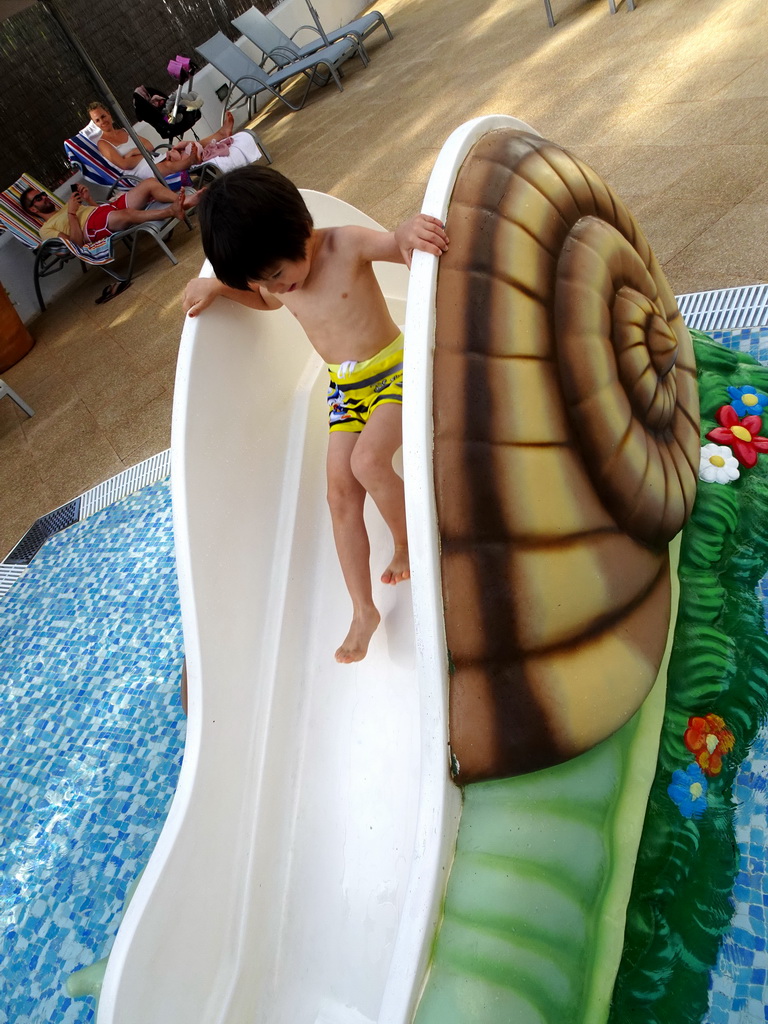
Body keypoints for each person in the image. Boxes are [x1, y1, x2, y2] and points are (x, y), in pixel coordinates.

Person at [182, 167, 448, 663]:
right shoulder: (275, 279)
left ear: (303, 227)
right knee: (338, 491)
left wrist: (410, 229)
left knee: (368, 463)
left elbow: (396, 244)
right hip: (345, 390)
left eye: (279, 274)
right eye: (263, 280)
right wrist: (220, 289)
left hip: (395, 371)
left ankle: (409, 540)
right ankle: (362, 608)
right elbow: (264, 303)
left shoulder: (343, 246)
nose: (277, 287)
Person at [20, 179, 193, 302]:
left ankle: (182, 201)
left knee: (148, 183)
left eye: (42, 194)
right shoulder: (45, 230)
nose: (44, 198)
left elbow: (102, 213)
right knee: (127, 215)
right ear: (33, 209)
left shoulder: (68, 204)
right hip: (92, 226)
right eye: (38, 199)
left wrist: (89, 200)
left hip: (104, 211)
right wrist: (72, 213)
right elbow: (75, 245)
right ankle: (172, 211)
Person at [88, 103, 262, 182]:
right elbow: (124, 165)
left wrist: (134, 153)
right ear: (95, 124)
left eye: (103, 116)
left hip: (150, 158)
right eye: (97, 120)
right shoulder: (103, 144)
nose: (102, 121)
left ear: (109, 115)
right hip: (138, 173)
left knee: (185, 147)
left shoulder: (124, 131)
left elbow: (148, 146)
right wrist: (139, 155)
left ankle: (220, 133)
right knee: (164, 165)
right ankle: (190, 161)